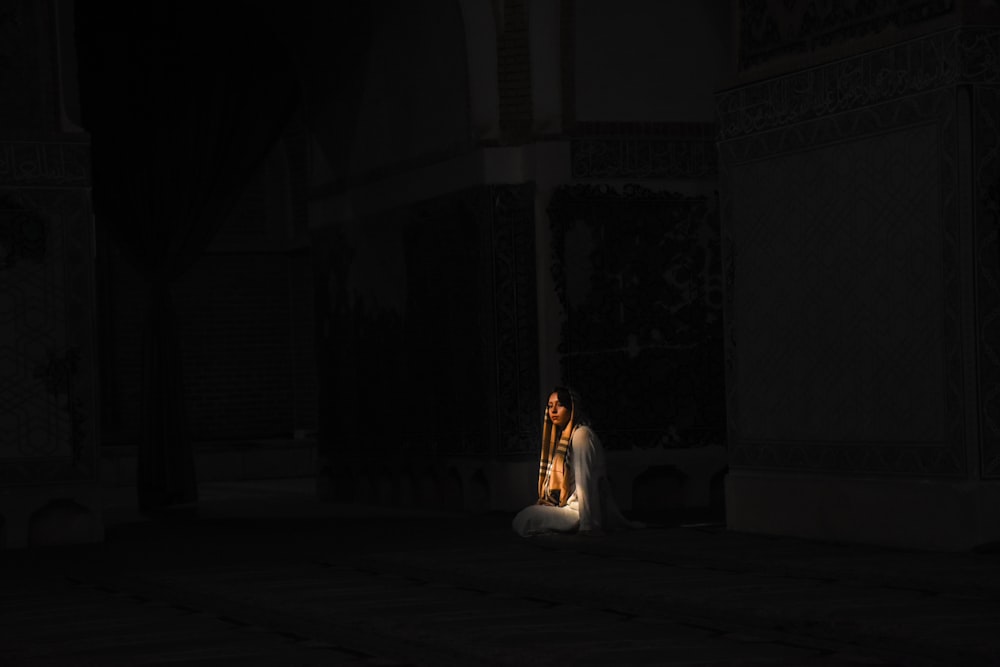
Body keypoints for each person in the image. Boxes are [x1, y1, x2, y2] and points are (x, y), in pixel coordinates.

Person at [512, 386, 640, 537]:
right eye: (550, 406)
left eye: (559, 405)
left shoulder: (581, 435)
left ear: (572, 408)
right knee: (522, 518)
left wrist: (587, 526)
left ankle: (570, 529)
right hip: (566, 508)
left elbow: (584, 480)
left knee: (526, 519)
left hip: (582, 513)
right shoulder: (561, 439)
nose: (553, 411)